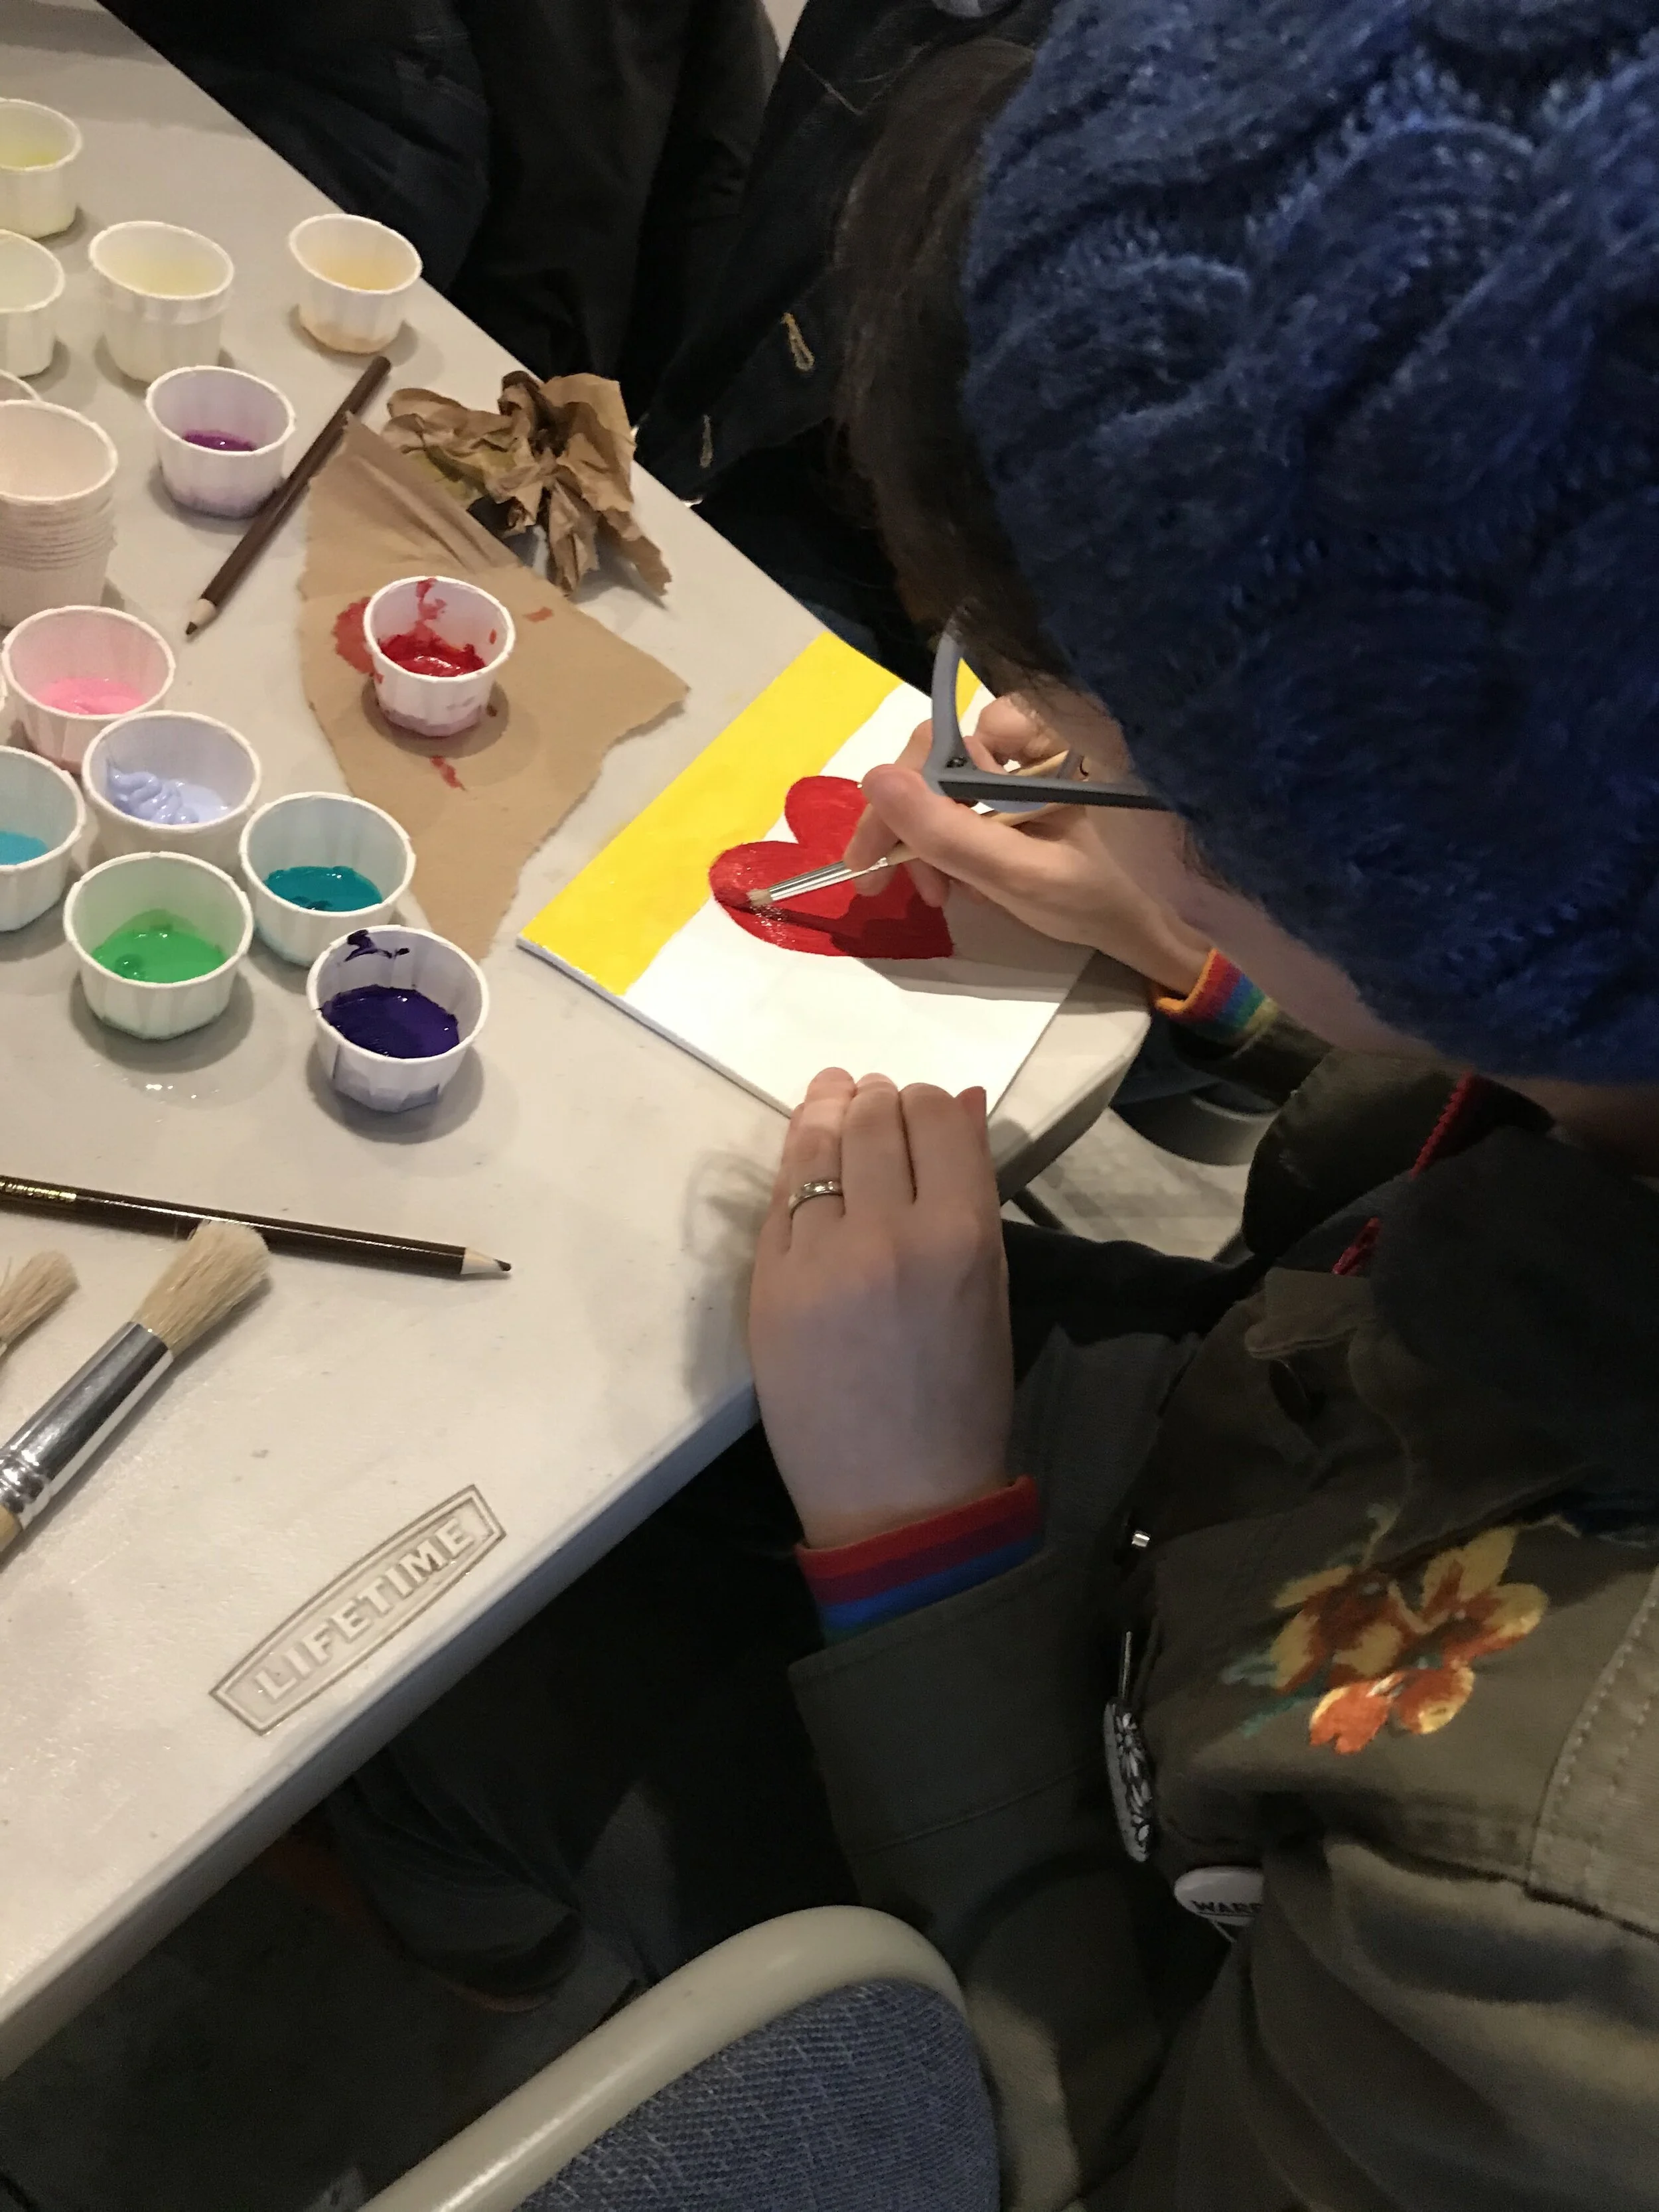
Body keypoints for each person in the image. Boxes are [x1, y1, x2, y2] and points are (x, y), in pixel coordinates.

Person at [333, 4, 1659, 2205]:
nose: (1005, 729)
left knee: (440, 1665)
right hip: (1249, 1457)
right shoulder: (1578, 975)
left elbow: (1111, 2154)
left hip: (1118, 1843)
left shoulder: (1559, 1929)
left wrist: (915, 1550)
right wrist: (1207, 956)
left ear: (1394, 854)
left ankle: (460, 1923)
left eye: (1074, 699)